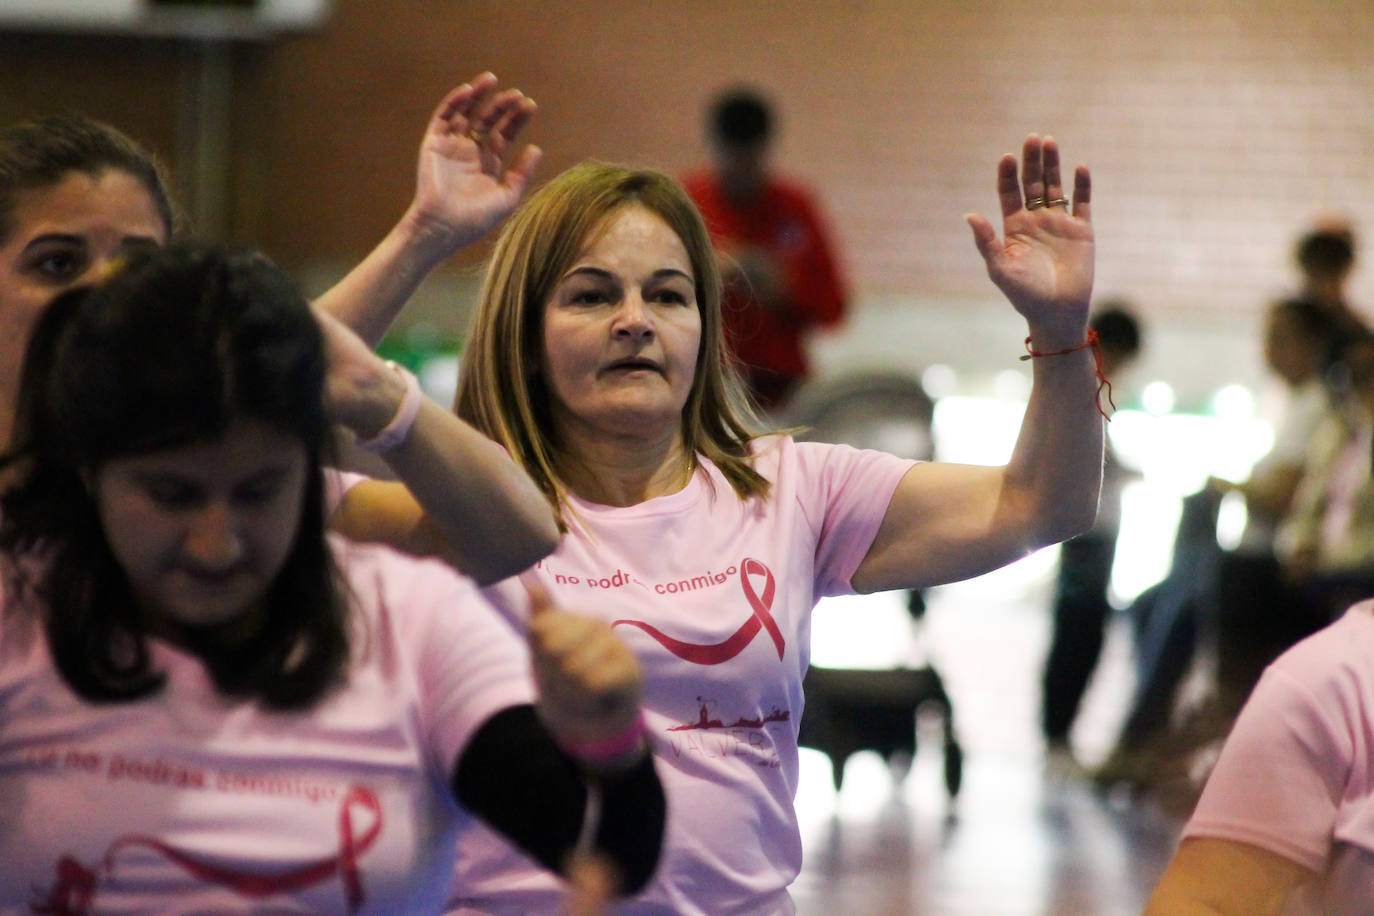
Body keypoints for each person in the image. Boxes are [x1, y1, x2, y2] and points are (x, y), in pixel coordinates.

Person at [337, 128, 1101, 911]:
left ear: (704, 332)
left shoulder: (794, 488)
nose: (635, 320)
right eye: (593, 295)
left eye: (668, 295)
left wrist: (1061, 332)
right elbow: (251, 409)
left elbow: (1044, 502)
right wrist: (423, 235)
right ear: (526, 337)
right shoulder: (460, 515)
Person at [0, 243, 665, 911]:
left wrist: (610, 741)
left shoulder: (410, 619)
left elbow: (607, 851)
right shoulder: (18, 613)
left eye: (259, 491)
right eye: (172, 495)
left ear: (309, 471)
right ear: (91, 473)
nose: (216, 544)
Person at [0, 76, 560, 585]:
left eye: (137, 264)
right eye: (56, 263)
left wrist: (379, 395)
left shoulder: (225, 480)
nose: (102, 290)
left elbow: (515, 538)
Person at [1142, 339, 1374, 912]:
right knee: (1183, 597)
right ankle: (1207, 718)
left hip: (1329, 572)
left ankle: (1211, 718)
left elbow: (1293, 499)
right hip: (1322, 582)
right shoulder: (1332, 680)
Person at [680, 87, 848, 412]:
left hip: (778, 386)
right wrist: (708, 273)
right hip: (701, 377)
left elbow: (835, 308)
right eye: (732, 158)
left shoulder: (796, 208)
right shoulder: (687, 202)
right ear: (712, 146)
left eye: (750, 159)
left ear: (766, 149)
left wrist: (784, 290)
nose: (741, 171)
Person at [1039, 303, 1141, 777]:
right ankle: (1056, 737)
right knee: (1078, 634)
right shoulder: (1077, 389)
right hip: (1085, 537)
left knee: (1087, 633)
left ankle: (1061, 736)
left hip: (1096, 535)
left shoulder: (1091, 391)